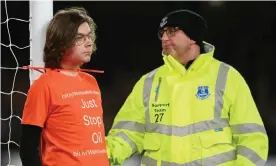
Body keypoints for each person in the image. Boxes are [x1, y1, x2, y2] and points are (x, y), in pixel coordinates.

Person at [106, 9, 269, 166]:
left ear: (192, 38)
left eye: (171, 31)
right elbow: (125, 134)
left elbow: (252, 138)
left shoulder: (227, 77)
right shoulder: (148, 82)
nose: (164, 38)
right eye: (161, 33)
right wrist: (99, 155)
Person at [20, 7, 109, 166]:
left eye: (89, 36)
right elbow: (28, 148)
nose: (89, 42)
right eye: (80, 38)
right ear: (62, 42)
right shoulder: (44, 86)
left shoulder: (91, 82)